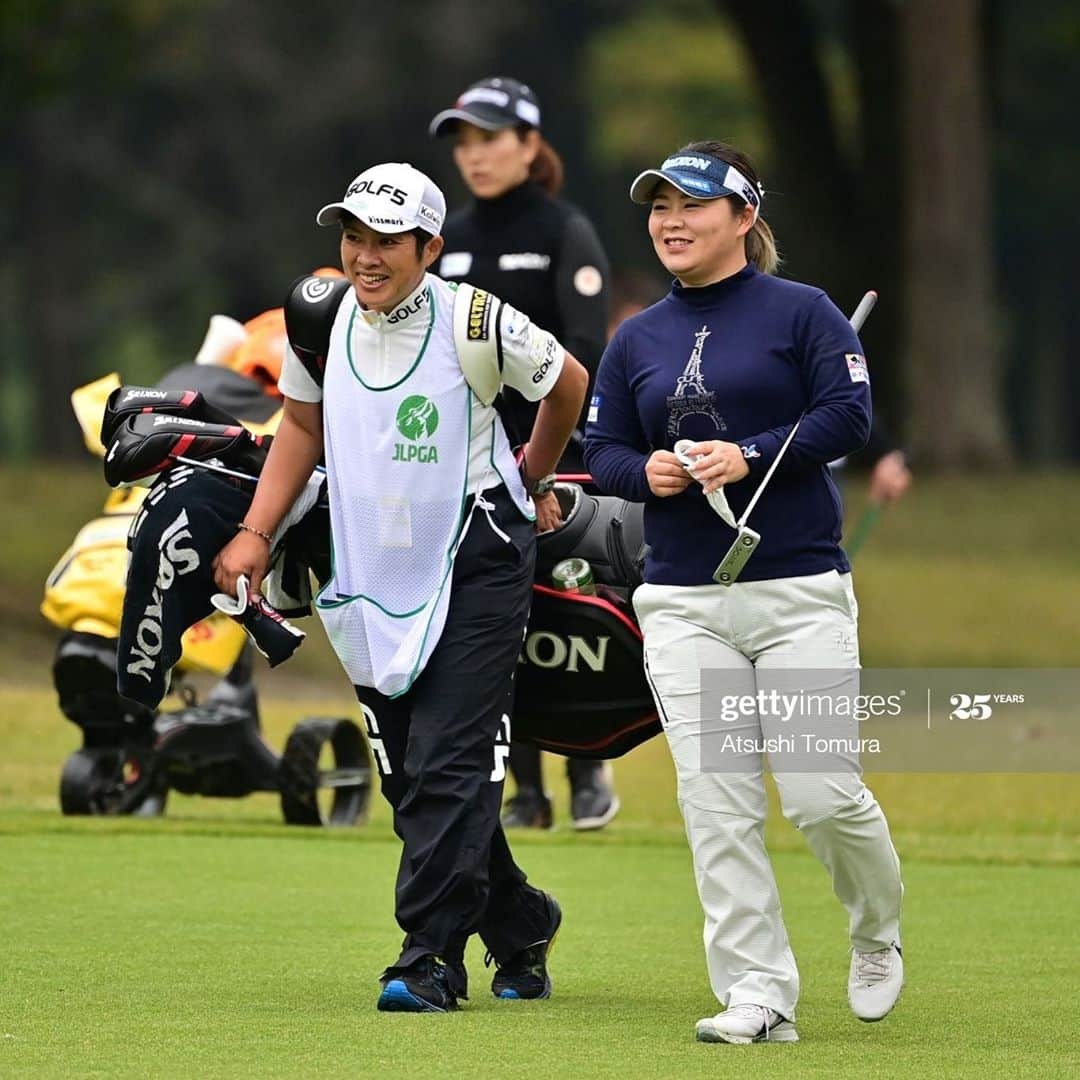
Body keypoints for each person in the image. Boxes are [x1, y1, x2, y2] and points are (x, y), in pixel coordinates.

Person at [213, 162, 588, 1013]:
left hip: (478, 551)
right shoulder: (318, 316)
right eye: (354, 236)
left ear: (430, 246)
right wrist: (254, 533)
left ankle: (428, 958)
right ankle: (522, 921)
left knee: (451, 759)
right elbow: (301, 424)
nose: (365, 256)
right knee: (409, 772)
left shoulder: (477, 318)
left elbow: (566, 384)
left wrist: (533, 473)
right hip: (372, 564)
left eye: (387, 240)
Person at [584, 141, 904, 1044]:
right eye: (657, 208)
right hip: (683, 599)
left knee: (817, 793)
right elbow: (601, 452)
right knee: (715, 801)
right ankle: (760, 995)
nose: (669, 222)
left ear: (743, 218)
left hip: (796, 586)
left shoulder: (803, 315)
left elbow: (849, 415)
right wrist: (647, 470)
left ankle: (876, 929)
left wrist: (750, 453)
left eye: (689, 205)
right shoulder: (636, 337)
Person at [429, 75, 620, 832]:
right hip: (466, 460)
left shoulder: (563, 229)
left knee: (567, 607)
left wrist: (541, 458)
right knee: (490, 620)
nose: (474, 156)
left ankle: (586, 769)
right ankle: (524, 789)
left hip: (555, 451)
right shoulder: (448, 239)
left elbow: (585, 348)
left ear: (530, 145)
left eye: (490, 138)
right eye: (464, 142)